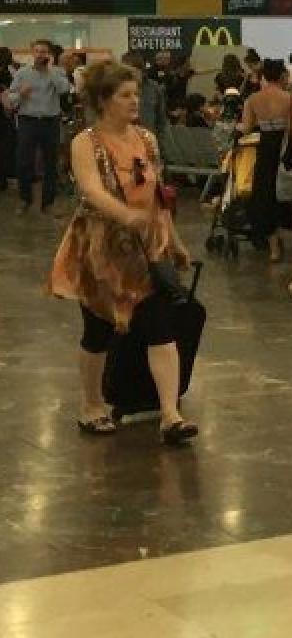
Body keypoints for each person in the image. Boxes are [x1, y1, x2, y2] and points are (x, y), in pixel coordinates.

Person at [48, 60, 197, 445]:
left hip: (148, 248)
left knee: (160, 326)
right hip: (99, 251)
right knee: (98, 332)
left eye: (136, 93)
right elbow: (92, 191)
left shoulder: (146, 139)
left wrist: (175, 242)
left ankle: (170, 415)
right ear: (102, 100)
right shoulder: (86, 142)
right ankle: (92, 405)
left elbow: (159, 196)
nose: (135, 101)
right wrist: (126, 216)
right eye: (125, 95)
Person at [240, 59, 292, 262]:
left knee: (265, 195)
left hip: (266, 149)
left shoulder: (253, 99)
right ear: (283, 76)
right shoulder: (290, 98)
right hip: (287, 148)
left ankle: (274, 250)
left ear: (264, 76)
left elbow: (247, 127)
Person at [6, 39, 74, 214]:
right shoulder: (22, 73)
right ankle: (25, 199)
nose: (40, 55)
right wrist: (20, 94)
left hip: (50, 122)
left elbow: (64, 90)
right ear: (32, 53)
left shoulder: (57, 71)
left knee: (51, 163)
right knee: (23, 162)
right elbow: (11, 99)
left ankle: (48, 203)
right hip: (27, 121)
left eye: (44, 52)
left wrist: (49, 72)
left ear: (49, 54)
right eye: (37, 51)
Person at [122, 50, 169, 145]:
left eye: (132, 71)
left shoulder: (154, 89)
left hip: (149, 143)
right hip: (124, 143)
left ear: (141, 70)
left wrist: (160, 145)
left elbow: (161, 121)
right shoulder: (117, 89)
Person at [0, 47, 14, 196]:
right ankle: (2, 179)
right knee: (4, 147)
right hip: (3, 115)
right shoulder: (6, 73)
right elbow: (9, 93)